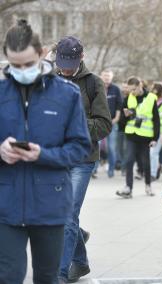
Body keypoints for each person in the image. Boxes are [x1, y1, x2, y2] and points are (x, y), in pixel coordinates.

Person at [0, 20, 91, 283]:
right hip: (6, 204)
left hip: (51, 203)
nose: (21, 70)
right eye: (14, 65)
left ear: (41, 54)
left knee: (48, 276)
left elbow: (80, 148)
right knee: (8, 276)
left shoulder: (67, 94)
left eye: (27, 64)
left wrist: (42, 154)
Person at [55, 35, 112, 282]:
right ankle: (80, 258)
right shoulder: (48, 81)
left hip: (82, 159)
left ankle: (59, 274)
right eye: (61, 62)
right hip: (55, 158)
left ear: (82, 57)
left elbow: (104, 124)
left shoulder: (93, 83)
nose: (65, 68)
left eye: (70, 62)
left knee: (67, 214)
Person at [116, 76, 160, 198]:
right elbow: (123, 120)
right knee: (129, 160)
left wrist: (155, 138)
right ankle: (128, 188)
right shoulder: (128, 98)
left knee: (146, 162)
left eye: (134, 89)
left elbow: (156, 119)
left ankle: (148, 186)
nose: (132, 92)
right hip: (131, 135)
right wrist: (126, 116)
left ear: (140, 86)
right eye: (130, 90)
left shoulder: (151, 98)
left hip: (145, 136)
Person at [101, 69, 123, 178]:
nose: (106, 78)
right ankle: (93, 170)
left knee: (111, 147)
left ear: (112, 77)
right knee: (96, 146)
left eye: (108, 76)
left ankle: (111, 170)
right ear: (101, 76)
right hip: (99, 122)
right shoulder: (97, 87)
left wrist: (117, 118)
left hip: (112, 122)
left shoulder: (116, 89)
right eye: (105, 76)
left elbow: (119, 105)